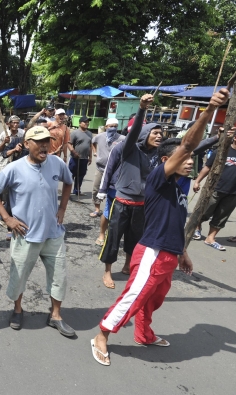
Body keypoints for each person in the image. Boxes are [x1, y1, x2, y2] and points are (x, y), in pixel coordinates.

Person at [90, 88, 229, 367]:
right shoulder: (158, 178)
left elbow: (177, 220)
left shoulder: (180, 184)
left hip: (169, 252)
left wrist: (182, 252)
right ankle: (102, 335)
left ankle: (143, 334)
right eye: (186, 159)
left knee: (153, 300)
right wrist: (209, 111)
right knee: (135, 295)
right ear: (168, 161)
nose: (191, 162)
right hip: (151, 252)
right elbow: (189, 145)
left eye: (193, 161)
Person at [0, 126, 75, 336]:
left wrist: (62, 208)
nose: (45, 145)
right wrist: (7, 218)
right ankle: (17, 309)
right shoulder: (14, 168)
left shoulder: (56, 163)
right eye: (39, 141)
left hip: (53, 233)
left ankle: (56, 315)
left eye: (47, 140)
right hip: (25, 235)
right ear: (27, 144)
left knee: (59, 277)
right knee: (19, 276)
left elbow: (69, 183)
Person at [99, 94, 163, 289]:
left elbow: (186, 148)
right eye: (155, 133)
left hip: (142, 205)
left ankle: (128, 265)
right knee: (113, 238)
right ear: (144, 135)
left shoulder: (158, 154)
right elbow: (134, 133)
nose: (159, 136)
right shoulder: (130, 148)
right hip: (122, 203)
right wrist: (142, 108)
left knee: (135, 239)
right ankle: (108, 272)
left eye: (161, 133)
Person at [192, 126, 236, 251]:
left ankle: (210, 238)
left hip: (233, 192)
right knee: (205, 211)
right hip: (216, 188)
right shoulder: (222, 151)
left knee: (222, 216)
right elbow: (207, 167)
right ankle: (197, 227)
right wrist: (197, 181)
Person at [90, 118, 124, 218]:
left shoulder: (122, 138)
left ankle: (112, 210)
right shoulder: (100, 136)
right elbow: (93, 142)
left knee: (114, 191)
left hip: (115, 171)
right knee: (96, 189)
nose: (113, 128)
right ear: (106, 127)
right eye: (111, 126)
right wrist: (95, 152)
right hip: (100, 168)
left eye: (115, 126)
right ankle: (97, 209)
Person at [67, 116, 93, 195]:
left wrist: (90, 157)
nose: (87, 123)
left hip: (84, 159)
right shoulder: (75, 133)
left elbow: (90, 146)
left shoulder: (89, 133)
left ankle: (77, 191)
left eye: (87, 122)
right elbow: (69, 144)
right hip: (75, 158)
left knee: (81, 175)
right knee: (70, 175)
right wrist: (73, 152)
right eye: (85, 122)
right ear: (80, 123)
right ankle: (67, 191)